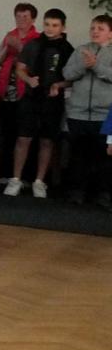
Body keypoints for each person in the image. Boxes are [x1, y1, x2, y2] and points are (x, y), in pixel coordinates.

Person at [4, 8, 72, 198]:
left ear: (62, 27)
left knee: (47, 141)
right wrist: (28, 79)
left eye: (55, 25)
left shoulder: (67, 49)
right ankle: (16, 179)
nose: (50, 29)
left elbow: (72, 77)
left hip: (53, 100)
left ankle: (39, 181)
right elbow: (20, 69)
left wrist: (58, 85)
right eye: (47, 24)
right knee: (23, 138)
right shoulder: (33, 44)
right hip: (31, 97)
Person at [61, 15, 112, 206]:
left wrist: (96, 65)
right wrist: (84, 64)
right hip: (79, 112)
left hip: (104, 113)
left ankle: (103, 193)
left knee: (104, 156)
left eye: (100, 28)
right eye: (93, 28)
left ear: (110, 34)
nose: (95, 31)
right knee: (78, 154)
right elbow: (67, 73)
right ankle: (76, 192)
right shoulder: (80, 50)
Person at [0, 3, 39, 179]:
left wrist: (20, 48)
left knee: (24, 135)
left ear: (33, 19)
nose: (21, 20)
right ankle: (4, 173)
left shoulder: (37, 39)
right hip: (6, 92)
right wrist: (6, 47)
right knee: (6, 133)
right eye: (18, 16)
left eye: (25, 16)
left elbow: (36, 65)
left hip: (26, 93)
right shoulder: (9, 35)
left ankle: (24, 176)